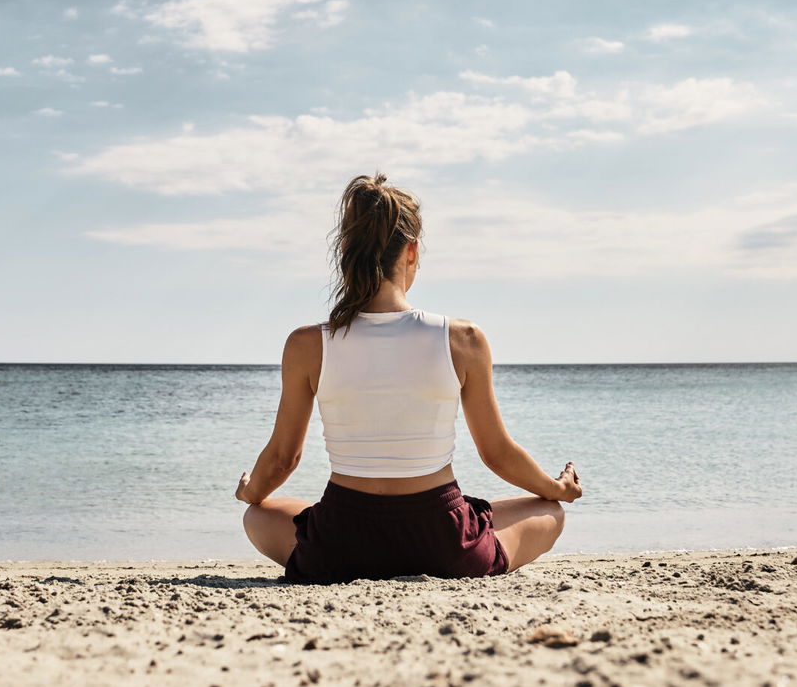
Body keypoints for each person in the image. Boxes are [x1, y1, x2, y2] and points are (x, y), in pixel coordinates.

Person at [236, 172, 583, 582]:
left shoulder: (308, 343)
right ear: (412, 252)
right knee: (549, 512)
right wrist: (556, 488)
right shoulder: (463, 338)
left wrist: (251, 491)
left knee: (257, 517)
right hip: (442, 541)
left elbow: (282, 459)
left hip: (340, 543)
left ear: (346, 253)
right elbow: (497, 454)